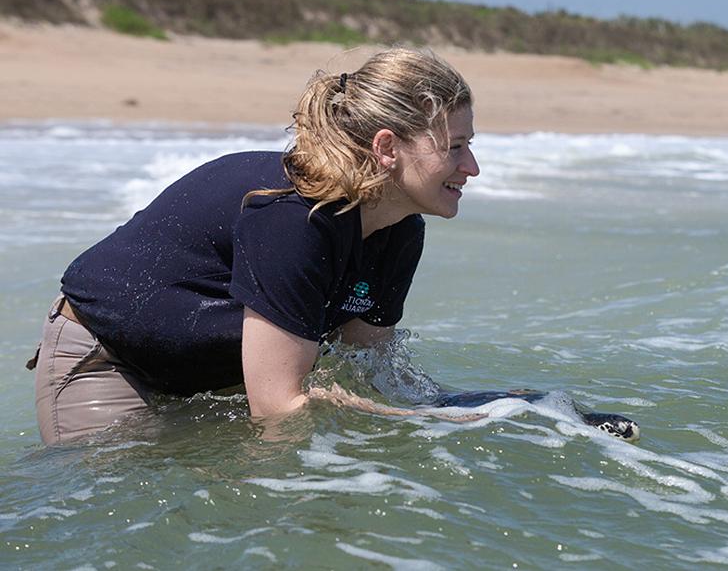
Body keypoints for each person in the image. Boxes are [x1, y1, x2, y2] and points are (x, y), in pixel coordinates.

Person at [28, 47, 479, 445]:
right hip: (112, 357)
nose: (472, 167)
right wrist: (419, 422)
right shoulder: (294, 215)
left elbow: (368, 364)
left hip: (213, 372)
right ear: (387, 147)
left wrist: (467, 408)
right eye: (455, 146)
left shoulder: (401, 231)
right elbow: (278, 410)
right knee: (122, 509)